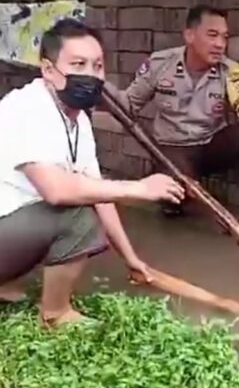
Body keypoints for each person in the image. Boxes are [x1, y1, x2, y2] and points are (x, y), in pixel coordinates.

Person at [0, 18, 184, 326]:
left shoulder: (77, 120)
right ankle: (56, 314)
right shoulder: (27, 109)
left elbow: (97, 189)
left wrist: (130, 259)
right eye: (78, 64)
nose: (91, 75)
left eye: (97, 66)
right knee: (75, 213)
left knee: (86, 199)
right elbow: (57, 190)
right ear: (48, 70)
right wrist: (139, 188)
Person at [106, 5, 239, 244]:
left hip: (209, 146)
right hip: (172, 152)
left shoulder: (229, 71)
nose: (220, 44)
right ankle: (175, 199)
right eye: (212, 35)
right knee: (175, 194)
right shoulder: (160, 64)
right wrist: (101, 88)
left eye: (224, 37)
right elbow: (128, 105)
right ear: (189, 35)